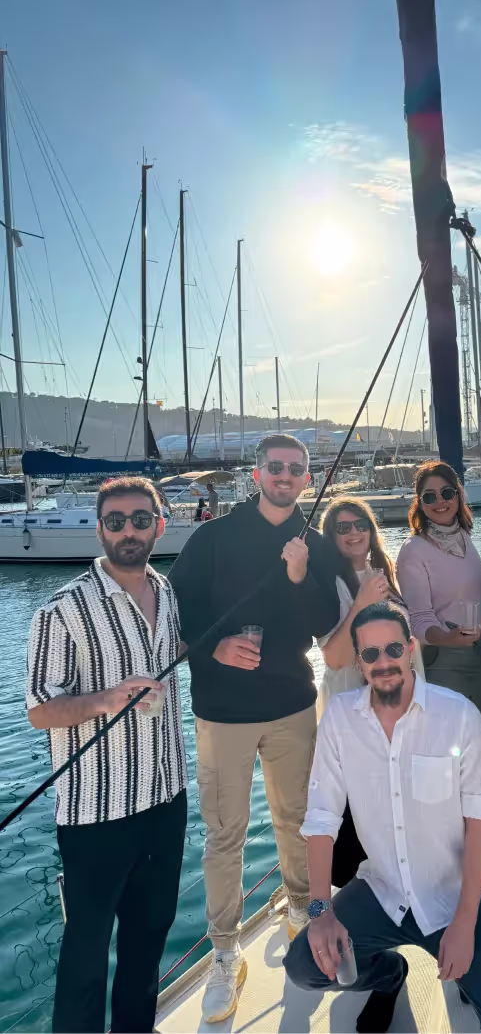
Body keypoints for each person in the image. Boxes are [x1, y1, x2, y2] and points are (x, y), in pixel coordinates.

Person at [283, 602, 481, 1034]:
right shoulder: (339, 719)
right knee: (304, 967)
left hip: (458, 898)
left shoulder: (457, 715)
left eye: (392, 649)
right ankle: (389, 975)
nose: (383, 662)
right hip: (382, 891)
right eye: (370, 654)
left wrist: (464, 925)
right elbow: (321, 819)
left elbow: (480, 825)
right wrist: (320, 911)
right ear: (358, 662)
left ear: (409, 649)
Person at [169, 434, 340, 1023]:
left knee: (298, 819)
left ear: (307, 479)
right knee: (225, 835)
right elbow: (178, 611)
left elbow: (326, 625)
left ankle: (301, 911)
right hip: (222, 711)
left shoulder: (312, 544)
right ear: (257, 472)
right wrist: (215, 648)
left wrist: (300, 575)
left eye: (296, 469)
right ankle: (224, 953)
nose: (286, 476)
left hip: (293, 702)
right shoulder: (213, 537)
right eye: (276, 467)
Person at [26, 477, 188, 1034]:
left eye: (140, 520)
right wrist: (107, 699)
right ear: (99, 529)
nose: (128, 530)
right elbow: (40, 710)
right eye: (115, 521)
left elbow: (174, 652)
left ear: (158, 526)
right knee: (86, 959)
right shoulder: (61, 610)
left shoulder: (167, 593)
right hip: (97, 816)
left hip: (167, 801)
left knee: (147, 947)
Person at [317, 497, 426, 888]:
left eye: (359, 523)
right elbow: (332, 658)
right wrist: (362, 602)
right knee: (357, 815)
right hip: (356, 716)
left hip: (402, 709)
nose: (353, 533)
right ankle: (347, 911)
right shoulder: (330, 584)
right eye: (342, 527)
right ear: (331, 536)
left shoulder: (384, 571)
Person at [396, 461, 481, 743]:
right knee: (451, 751)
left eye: (447, 493)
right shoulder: (414, 550)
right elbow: (419, 619)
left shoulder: (464, 536)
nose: (440, 502)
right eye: (429, 496)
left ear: (458, 494)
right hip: (447, 662)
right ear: (420, 503)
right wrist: (450, 638)